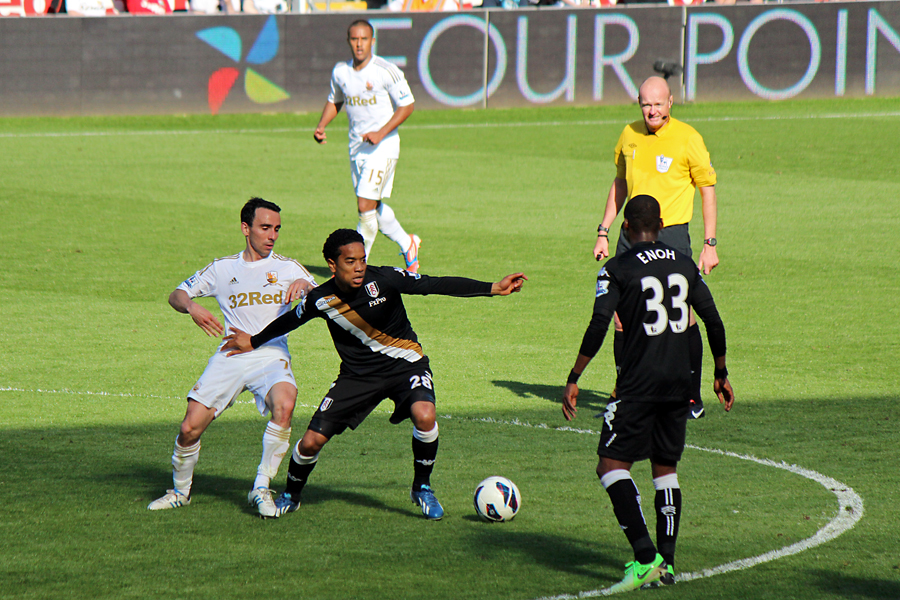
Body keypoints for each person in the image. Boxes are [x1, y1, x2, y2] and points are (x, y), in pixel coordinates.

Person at [222, 229, 527, 520]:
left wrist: (494, 288)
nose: (359, 267)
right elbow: (290, 320)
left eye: (362, 259)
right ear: (332, 264)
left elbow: (433, 284)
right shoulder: (321, 299)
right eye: (350, 261)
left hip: (405, 363)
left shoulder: (385, 278)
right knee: (311, 442)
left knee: (425, 415)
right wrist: (253, 340)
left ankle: (422, 487)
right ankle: (291, 494)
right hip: (358, 377)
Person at [564, 195, 734, 591]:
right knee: (665, 469)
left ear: (625, 228)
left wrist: (574, 376)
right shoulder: (684, 264)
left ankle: (645, 558)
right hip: (679, 384)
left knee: (610, 466)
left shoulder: (617, 268)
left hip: (638, 384)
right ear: (660, 225)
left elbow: (599, 323)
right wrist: (720, 372)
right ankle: (668, 564)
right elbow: (713, 320)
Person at [148, 198, 316, 518]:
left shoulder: (287, 267)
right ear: (245, 228)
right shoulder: (223, 268)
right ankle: (180, 492)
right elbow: (177, 294)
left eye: (277, 229)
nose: (272, 236)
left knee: (286, 404)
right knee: (189, 428)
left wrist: (305, 284)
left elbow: (323, 295)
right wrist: (192, 307)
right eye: (265, 228)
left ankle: (261, 486)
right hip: (231, 355)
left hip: (270, 353)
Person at [593, 75, 719, 419]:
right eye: (646, 104)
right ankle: (627, 394)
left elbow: (707, 189)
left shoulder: (688, 138)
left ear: (671, 102)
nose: (652, 110)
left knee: (684, 317)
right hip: (630, 235)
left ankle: (692, 397)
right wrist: (604, 230)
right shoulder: (628, 135)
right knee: (621, 319)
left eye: (658, 104)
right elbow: (620, 183)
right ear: (639, 103)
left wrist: (710, 243)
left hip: (672, 235)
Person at [313, 20, 422, 273]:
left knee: (364, 206)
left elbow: (407, 106)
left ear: (373, 41)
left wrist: (380, 132)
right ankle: (408, 244)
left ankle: (357, 268)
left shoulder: (386, 70)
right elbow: (335, 100)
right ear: (349, 41)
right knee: (372, 206)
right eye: (354, 39)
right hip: (357, 149)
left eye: (364, 39)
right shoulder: (340, 71)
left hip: (383, 147)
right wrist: (322, 125)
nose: (359, 44)